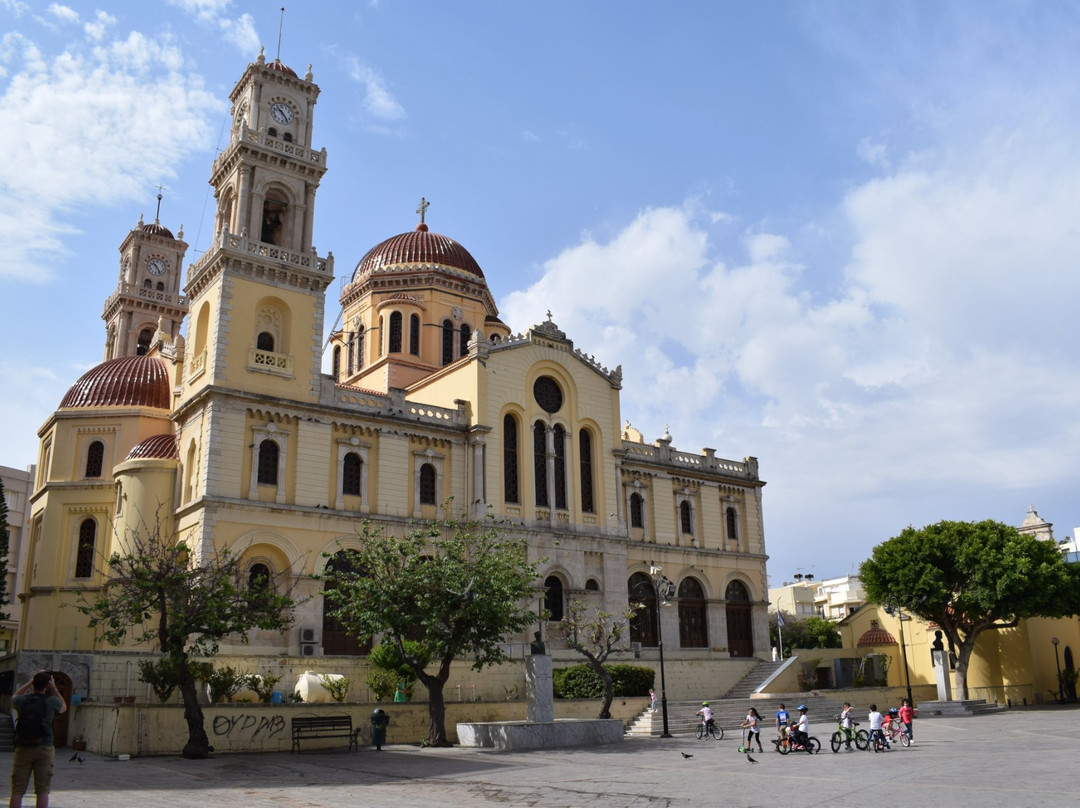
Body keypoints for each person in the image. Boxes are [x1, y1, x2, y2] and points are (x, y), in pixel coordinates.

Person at [10, 670, 67, 808]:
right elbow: (64, 707)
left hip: (23, 747)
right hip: (44, 747)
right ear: (47, 685)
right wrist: (53, 688)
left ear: (34, 684)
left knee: (17, 789)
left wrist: (31, 681)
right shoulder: (51, 701)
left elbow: (14, 696)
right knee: (42, 789)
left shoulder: (22, 701)